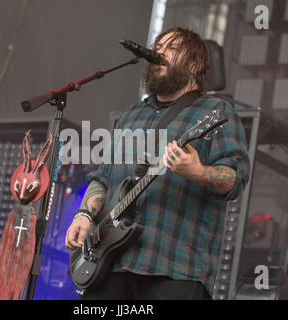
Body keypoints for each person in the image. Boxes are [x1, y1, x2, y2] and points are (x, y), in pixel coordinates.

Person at [65, 27, 250, 300]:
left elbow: (235, 178)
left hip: (175, 268)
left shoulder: (215, 112)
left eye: (172, 48)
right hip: (110, 266)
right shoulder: (131, 115)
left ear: (195, 64)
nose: (159, 52)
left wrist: (198, 172)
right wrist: (84, 215)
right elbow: (104, 176)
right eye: (158, 47)